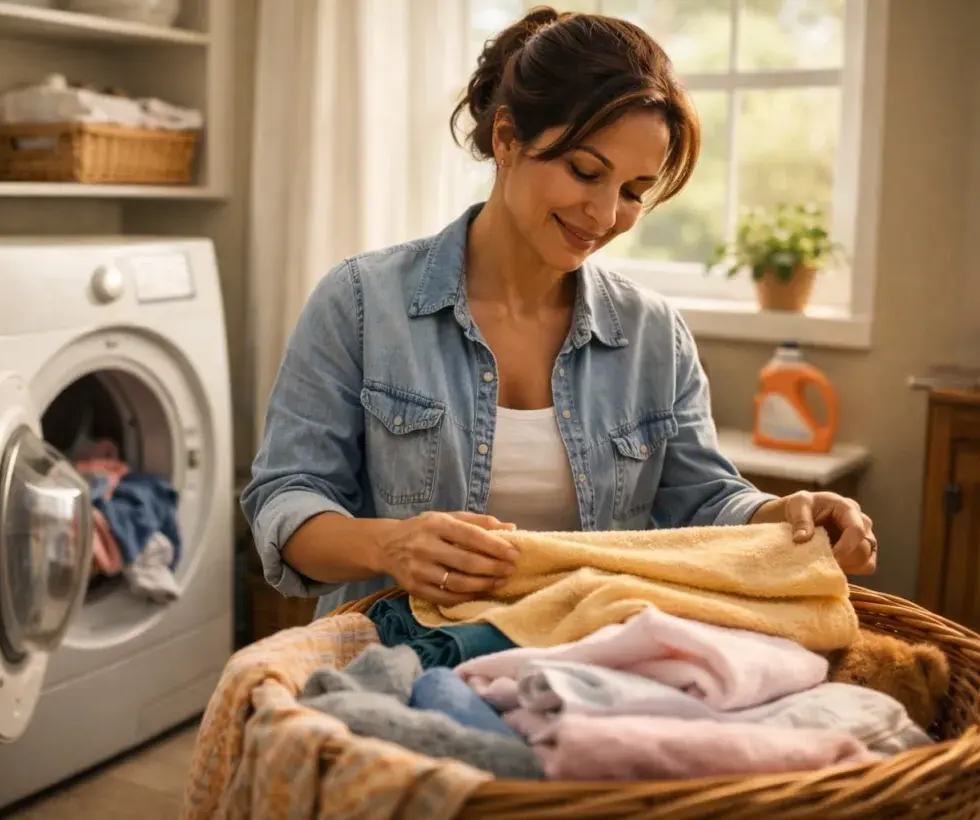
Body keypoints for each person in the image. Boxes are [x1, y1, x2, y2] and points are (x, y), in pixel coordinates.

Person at [242, 7, 877, 618]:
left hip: (588, 662)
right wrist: (391, 544)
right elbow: (285, 500)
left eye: (632, 192)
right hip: (397, 654)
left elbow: (703, 500)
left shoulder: (655, 335)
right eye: (584, 171)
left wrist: (787, 514)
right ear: (508, 139)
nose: (605, 216)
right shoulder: (360, 303)